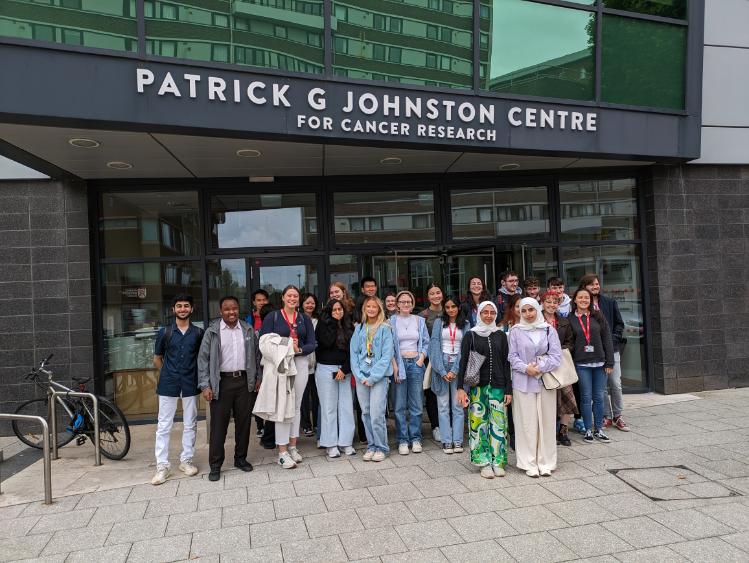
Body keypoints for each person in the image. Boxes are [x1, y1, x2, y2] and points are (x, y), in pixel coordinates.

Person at [197, 296, 258, 481]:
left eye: (234, 309)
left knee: (244, 424)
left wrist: (258, 378)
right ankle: (215, 465)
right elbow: (203, 360)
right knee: (218, 427)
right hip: (221, 384)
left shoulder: (247, 329)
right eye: (227, 309)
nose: (231, 312)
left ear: (238, 310)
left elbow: (256, 356)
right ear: (220, 311)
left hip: (244, 382)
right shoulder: (212, 332)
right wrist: (205, 385)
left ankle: (240, 459)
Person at [259, 285, 317, 468]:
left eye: (295, 296)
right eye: (289, 295)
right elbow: (264, 342)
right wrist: (286, 346)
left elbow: (312, 342)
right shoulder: (273, 317)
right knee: (282, 407)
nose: (292, 298)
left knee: (297, 405)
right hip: (281, 365)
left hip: (300, 362)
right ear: (283, 298)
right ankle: (282, 452)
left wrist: (300, 349)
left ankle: (293, 446)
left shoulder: (303, 319)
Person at [151, 294, 203, 485]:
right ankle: (162, 466)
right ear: (173, 309)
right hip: (168, 384)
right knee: (164, 426)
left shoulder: (198, 333)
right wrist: (168, 373)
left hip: (191, 382)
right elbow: (157, 358)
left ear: (192, 308)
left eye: (186, 306)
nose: (182, 309)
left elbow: (201, 358)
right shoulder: (165, 332)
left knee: (191, 423)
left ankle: (186, 460)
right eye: (179, 306)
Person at [456, 302, 512, 479]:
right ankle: (483, 462)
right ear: (479, 314)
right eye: (485, 312)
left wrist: (508, 389)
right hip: (477, 388)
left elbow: (505, 363)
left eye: (492, 312)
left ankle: (498, 461)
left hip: (498, 386)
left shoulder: (500, 335)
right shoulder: (471, 335)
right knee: (479, 425)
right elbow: (463, 362)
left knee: (498, 425)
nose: (488, 316)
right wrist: (460, 388)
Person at [508, 297, 562, 477]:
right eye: (524, 311)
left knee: (546, 422)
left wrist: (539, 368)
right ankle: (528, 462)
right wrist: (526, 368)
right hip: (523, 382)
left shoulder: (549, 330)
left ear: (537, 310)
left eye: (531, 310)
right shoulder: (515, 331)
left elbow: (556, 356)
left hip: (545, 381)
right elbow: (512, 356)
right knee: (526, 423)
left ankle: (546, 462)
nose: (528, 314)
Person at [579, 274, 630, 432]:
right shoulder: (582, 305)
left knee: (615, 383)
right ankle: (606, 416)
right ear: (584, 287)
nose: (595, 287)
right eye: (591, 285)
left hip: (612, 350)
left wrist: (612, 340)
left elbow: (619, 324)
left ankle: (618, 415)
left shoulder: (609, 302)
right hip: (594, 353)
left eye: (597, 284)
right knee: (600, 388)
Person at [350, 296, 396, 462]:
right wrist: (359, 375)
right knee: (366, 413)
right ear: (364, 309)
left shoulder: (385, 328)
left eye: (374, 307)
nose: (371, 309)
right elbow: (354, 354)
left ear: (379, 309)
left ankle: (382, 447)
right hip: (362, 377)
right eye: (368, 306)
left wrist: (373, 377)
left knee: (377, 414)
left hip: (379, 378)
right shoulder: (359, 328)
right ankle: (371, 446)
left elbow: (386, 356)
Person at [569, 287, 614, 444]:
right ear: (575, 300)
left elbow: (607, 339)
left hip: (600, 363)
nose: (583, 300)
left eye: (586, 298)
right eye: (580, 297)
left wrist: (610, 362)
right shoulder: (570, 319)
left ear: (590, 300)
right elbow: (570, 343)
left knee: (599, 397)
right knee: (586, 397)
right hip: (581, 364)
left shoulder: (598, 316)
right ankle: (588, 429)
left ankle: (599, 429)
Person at [428, 296, 469, 454]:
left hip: (458, 364)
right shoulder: (439, 323)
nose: (451, 309)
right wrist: (442, 370)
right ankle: (446, 441)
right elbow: (434, 346)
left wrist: (455, 370)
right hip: (442, 363)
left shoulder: (465, 324)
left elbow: (465, 348)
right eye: (447, 307)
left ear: (459, 307)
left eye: (454, 306)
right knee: (443, 406)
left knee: (458, 406)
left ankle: (457, 440)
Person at [315, 299, 356, 458]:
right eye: (334, 310)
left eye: (340, 309)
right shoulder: (322, 324)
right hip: (326, 369)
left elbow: (354, 349)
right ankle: (330, 444)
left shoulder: (349, 325)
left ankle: (346, 442)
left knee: (346, 407)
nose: (338, 312)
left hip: (345, 369)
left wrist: (344, 369)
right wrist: (333, 322)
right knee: (328, 407)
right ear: (328, 311)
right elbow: (326, 343)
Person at [390, 290, 429, 455]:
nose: (406, 304)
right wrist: (395, 366)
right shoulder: (390, 321)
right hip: (399, 364)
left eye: (409, 302)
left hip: (415, 363)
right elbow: (388, 345)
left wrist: (421, 358)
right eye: (403, 302)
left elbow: (426, 342)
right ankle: (403, 440)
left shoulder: (420, 320)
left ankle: (416, 438)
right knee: (399, 405)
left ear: (412, 304)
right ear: (397, 304)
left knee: (416, 404)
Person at [540, 290, 576, 447]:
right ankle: (548, 432)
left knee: (567, 398)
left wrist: (557, 353)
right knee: (548, 399)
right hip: (542, 364)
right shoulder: (536, 319)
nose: (551, 305)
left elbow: (570, 342)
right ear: (542, 303)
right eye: (548, 301)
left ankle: (563, 431)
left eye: (555, 302)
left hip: (561, 364)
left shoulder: (564, 321)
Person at [419, 282, 443, 443]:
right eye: (432, 293)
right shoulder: (423, 316)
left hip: (449, 358)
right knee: (432, 394)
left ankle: (448, 424)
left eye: (438, 292)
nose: (436, 296)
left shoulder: (450, 310)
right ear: (428, 297)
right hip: (429, 361)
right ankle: (436, 426)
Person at [300, 293, 320, 438]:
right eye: (307, 303)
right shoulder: (298, 319)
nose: (310, 305)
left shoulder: (319, 320)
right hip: (302, 362)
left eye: (312, 303)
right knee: (304, 396)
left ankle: (317, 423)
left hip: (318, 363)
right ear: (302, 304)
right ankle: (306, 425)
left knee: (317, 395)